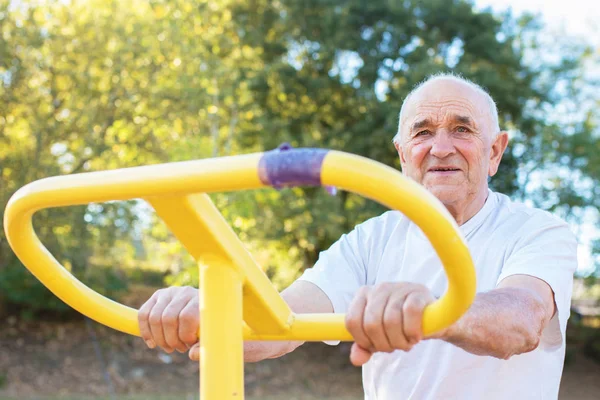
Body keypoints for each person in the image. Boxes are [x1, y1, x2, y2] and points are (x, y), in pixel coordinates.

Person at [138, 74, 578, 399]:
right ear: (403, 154)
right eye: (422, 133)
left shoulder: (538, 230)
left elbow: (521, 321)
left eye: (461, 129)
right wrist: (207, 313)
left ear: (495, 151)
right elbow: (281, 324)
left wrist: (432, 311)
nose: (440, 147)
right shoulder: (370, 240)